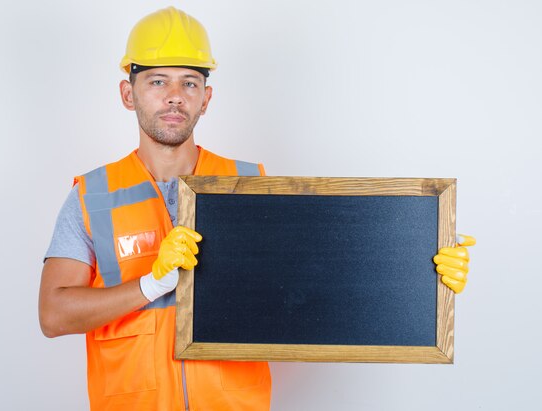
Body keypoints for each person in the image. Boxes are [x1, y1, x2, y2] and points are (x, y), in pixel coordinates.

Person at [39, 6, 475, 411]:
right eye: (157, 81)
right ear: (127, 93)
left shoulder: (248, 187)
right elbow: (53, 316)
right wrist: (150, 286)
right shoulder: (92, 196)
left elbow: (316, 284)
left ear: (206, 98)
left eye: (189, 82)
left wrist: (420, 270)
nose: (174, 96)